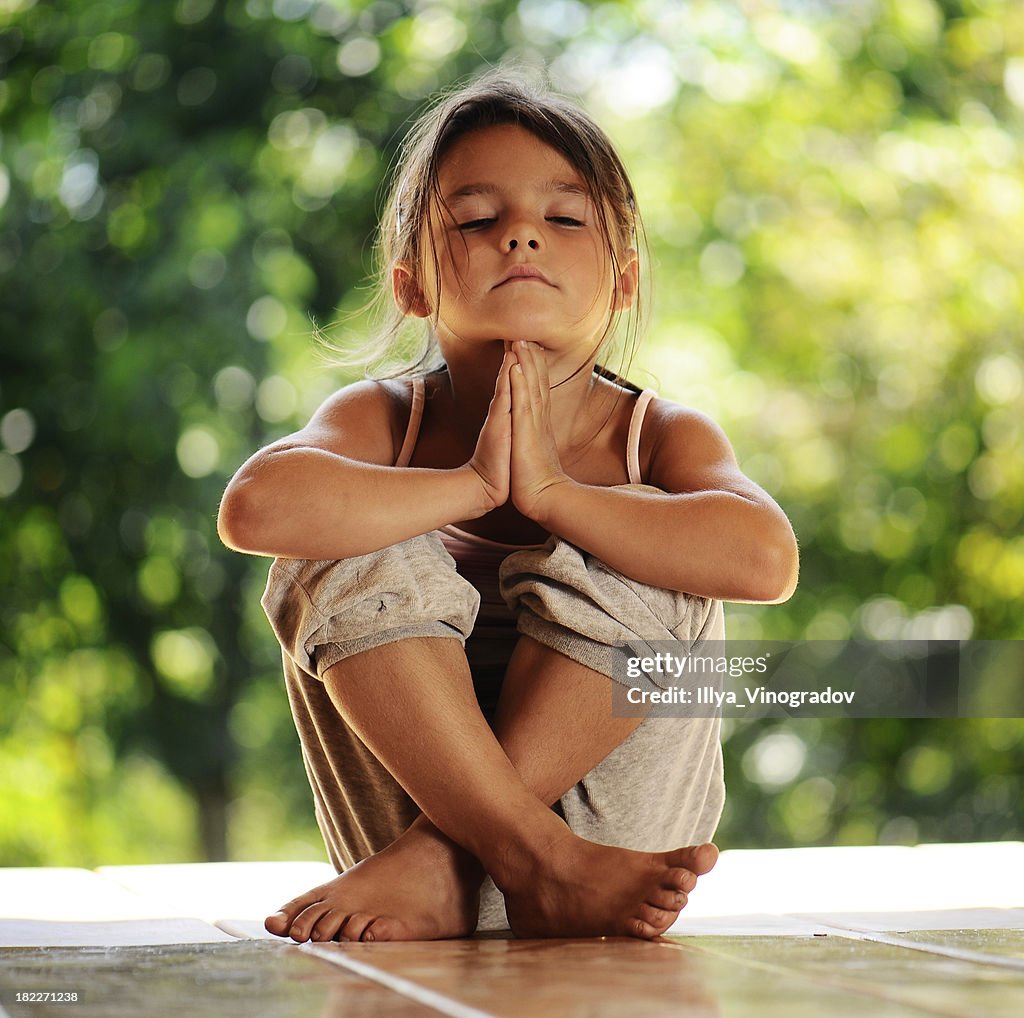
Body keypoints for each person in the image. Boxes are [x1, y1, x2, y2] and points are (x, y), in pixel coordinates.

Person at [217, 69, 798, 944]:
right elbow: (255, 511)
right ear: (412, 285)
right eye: (478, 220)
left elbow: (765, 561)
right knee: (328, 529)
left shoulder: (660, 435)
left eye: (564, 220)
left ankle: (466, 856)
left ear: (625, 280)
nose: (522, 235)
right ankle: (523, 854)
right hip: (413, 861)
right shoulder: (383, 420)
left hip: (605, 847)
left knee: (665, 535)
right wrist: (470, 488)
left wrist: (558, 497)